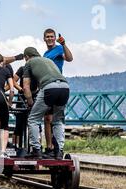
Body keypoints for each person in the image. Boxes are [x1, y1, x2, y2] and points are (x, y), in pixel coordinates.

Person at [22, 47, 70, 160]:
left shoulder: (29, 63)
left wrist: (30, 103)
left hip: (49, 88)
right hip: (65, 87)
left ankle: (36, 150)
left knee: (33, 119)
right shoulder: (48, 61)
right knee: (57, 120)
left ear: (26, 57)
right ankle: (58, 152)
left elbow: (25, 87)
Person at [43, 29, 73, 158]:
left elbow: (70, 58)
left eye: (52, 37)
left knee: (57, 119)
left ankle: (59, 148)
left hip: (57, 85)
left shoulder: (60, 49)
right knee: (47, 118)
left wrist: (64, 44)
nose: (50, 38)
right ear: (44, 38)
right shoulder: (45, 54)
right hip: (47, 86)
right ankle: (50, 147)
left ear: (55, 38)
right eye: (47, 37)